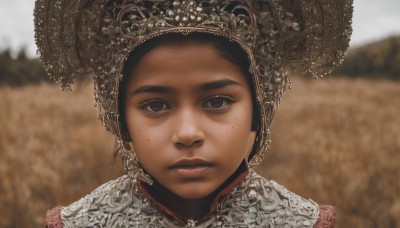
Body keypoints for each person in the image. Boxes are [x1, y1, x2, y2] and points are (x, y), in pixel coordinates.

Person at [34, 0, 353, 227]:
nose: (187, 133)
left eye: (216, 102)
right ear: (121, 121)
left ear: (259, 108)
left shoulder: (298, 222)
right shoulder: (83, 222)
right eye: (156, 105)